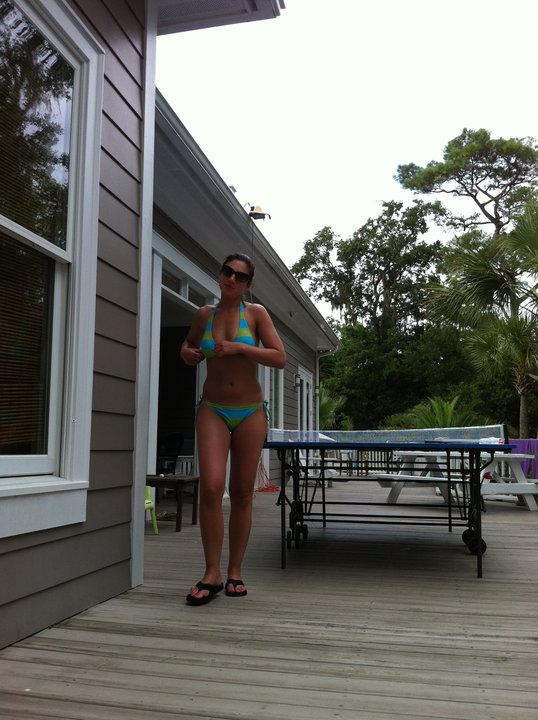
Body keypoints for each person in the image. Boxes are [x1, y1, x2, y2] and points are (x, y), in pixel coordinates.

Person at [180, 252, 286, 605]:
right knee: (211, 487)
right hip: (212, 408)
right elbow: (189, 344)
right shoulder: (203, 315)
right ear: (220, 273)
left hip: (250, 412)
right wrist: (186, 352)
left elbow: (279, 357)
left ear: (247, 284)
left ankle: (235, 571)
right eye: (228, 272)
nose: (232, 279)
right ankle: (211, 573)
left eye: (240, 276)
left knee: (242, 492)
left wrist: (241, 347)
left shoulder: (255, 314)